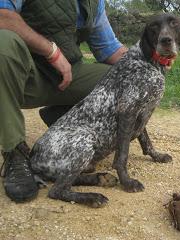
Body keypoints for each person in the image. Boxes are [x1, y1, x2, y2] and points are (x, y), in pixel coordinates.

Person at [0, 0, 128, 203]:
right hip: (25, 74)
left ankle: (62, 118)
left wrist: (150, 60)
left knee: (127, 79)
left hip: (68, 74)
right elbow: (3, 17)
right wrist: (51, 51)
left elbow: (109, 49)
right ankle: (14, 151)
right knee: (1, 42)